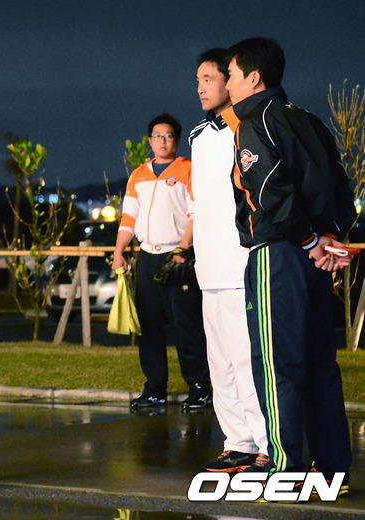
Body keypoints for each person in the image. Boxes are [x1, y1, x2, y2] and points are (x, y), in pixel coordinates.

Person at [224, 37, 355, 488]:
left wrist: (308, 240)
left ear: (253, 78)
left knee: (278, 364)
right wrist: (329, 237)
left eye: (231, 75)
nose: (228, 84)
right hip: (315, 258)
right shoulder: (309, 119)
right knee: (320, 363)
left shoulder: (254, 122)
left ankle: (286, 469)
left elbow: (269, 192)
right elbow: (342, 186)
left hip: (280, 254)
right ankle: (333, 470)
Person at [189, 48, 268, 473]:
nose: (202, 87)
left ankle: (266, 443)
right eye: (198, 80)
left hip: (240, 263)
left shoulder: (248, 129)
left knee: (246, 357)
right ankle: (237, 441)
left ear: (230, 80)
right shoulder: (198, 137)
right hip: (209, 268)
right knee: (219, 362)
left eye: (209, 78)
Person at [112, 113, 211, 409]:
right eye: (157, 136)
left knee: (186, 326)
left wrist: (183, 248)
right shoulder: (138, 175)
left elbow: (197, 213)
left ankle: (200, 388)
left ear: (176, 141)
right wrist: (118, 252)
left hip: (177, 257)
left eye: (168, 136)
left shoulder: (187, 170)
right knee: (149, 327)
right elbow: (128, 218)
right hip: (147, 257)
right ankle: (155, 389)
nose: (162, 141)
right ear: (150, 140)